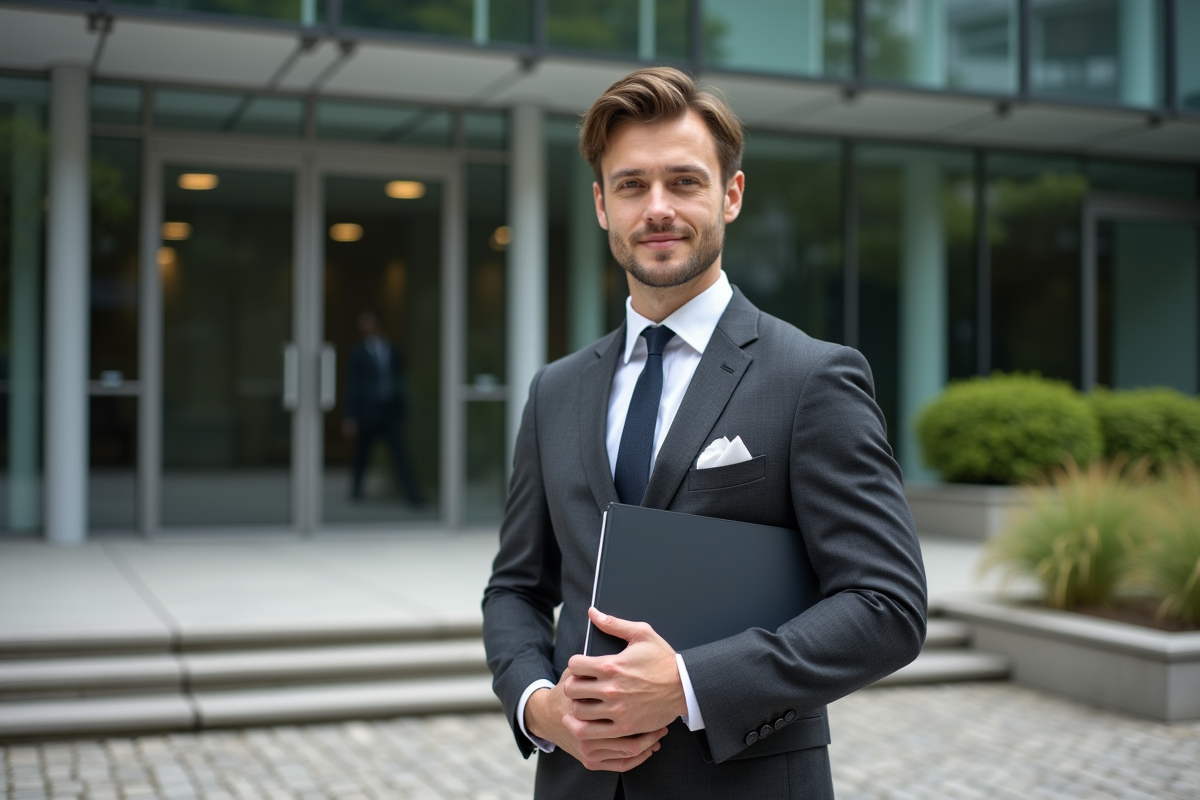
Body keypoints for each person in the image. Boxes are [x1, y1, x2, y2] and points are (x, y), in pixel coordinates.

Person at [482, 68, 927, 799]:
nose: (657, 208)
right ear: (600, 204)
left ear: (732, 194)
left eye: (684, 182)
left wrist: (689, 684)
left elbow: (887, 606)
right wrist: (540, 707)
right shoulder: (554, 390)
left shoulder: (813, 378)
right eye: (631, 185)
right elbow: (515, 589)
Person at [342, 310, 425, 506]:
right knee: (362, 454)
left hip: (390, 411)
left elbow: (401, 381)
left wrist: (404, 411)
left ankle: (412, 494)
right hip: (367, 411)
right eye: (363, 324)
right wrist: (350, 416)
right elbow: (352, 385)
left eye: (370, 323)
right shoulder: (357, 353)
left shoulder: (393, 350)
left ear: (378, 324)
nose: (366, 327)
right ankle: (356, 491)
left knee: (400, 454)